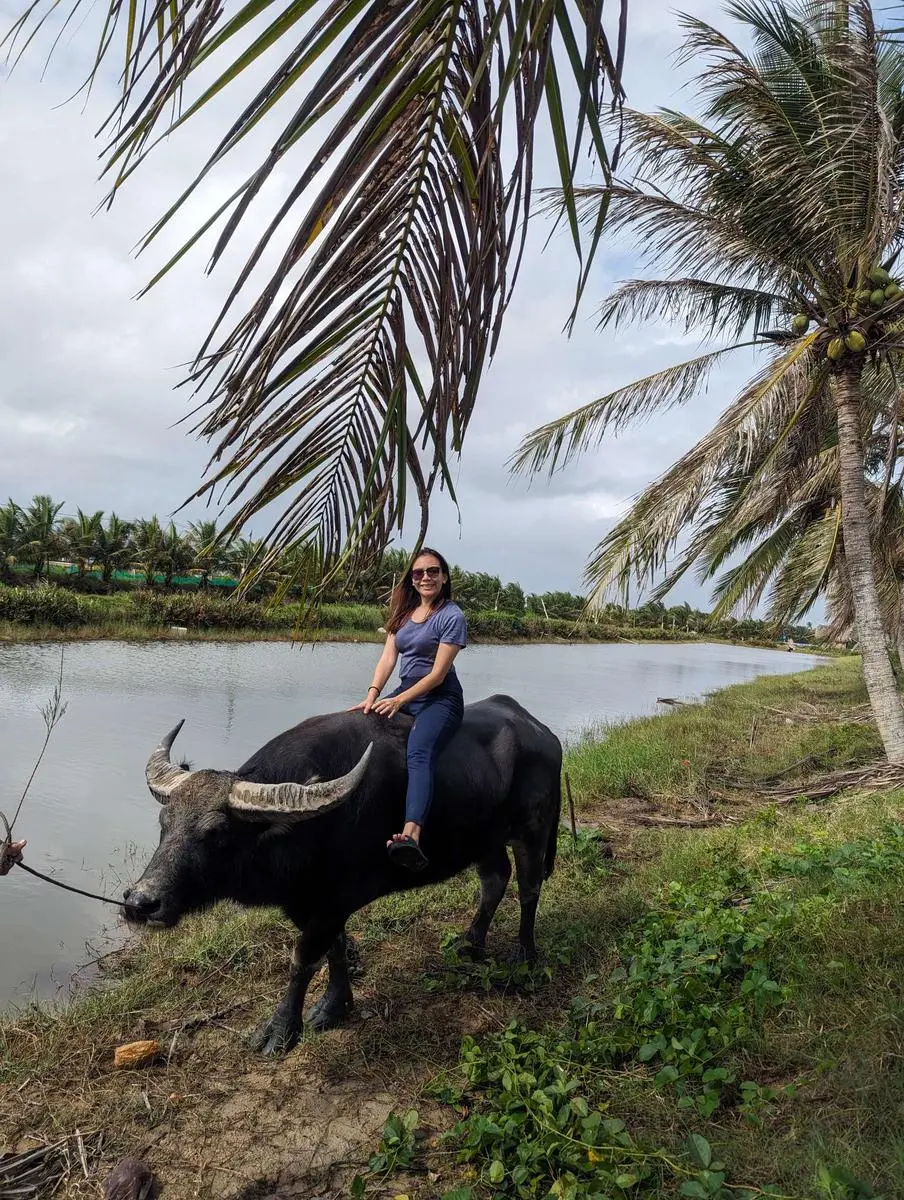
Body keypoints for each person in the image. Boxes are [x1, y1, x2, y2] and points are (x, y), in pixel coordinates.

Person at [352, 547, 467, 871]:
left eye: (433, 571)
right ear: (411, 580)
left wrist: (400, 700)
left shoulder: (451, 616)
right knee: (360, 725)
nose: (426, 577)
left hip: (439, 697)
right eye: (419, 573)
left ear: (444, 577)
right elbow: (389, 658)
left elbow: (437, 675)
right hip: (405, 691)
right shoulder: (403, 614)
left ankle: (411, 834)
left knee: (418, 750)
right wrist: (373, 695)